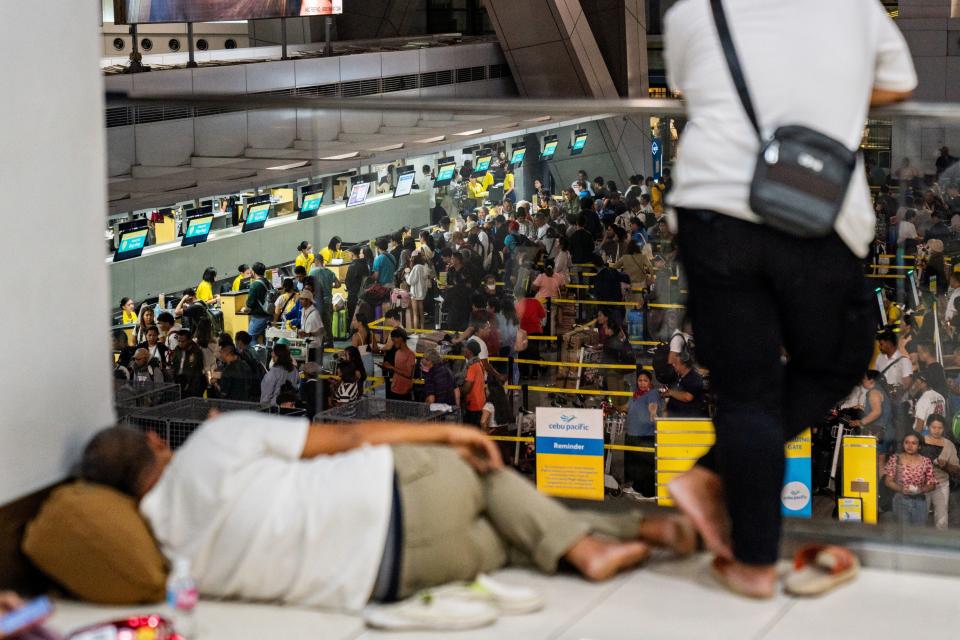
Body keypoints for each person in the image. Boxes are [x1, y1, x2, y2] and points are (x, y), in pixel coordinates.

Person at [664, 0, 916, 595]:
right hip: (815, 204)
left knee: (746, 391)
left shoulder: (691, 11)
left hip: (713, 208)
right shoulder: (856, 9)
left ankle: (751, 562)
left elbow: (689, 89)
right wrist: (836, 100)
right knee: (839, 358)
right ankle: (708, 481)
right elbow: (900, 86)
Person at [884, 432, 937, 527]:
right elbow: (888, 481)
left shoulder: (926, 461)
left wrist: (920, 490)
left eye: (914, 443)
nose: (909, 446)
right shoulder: (895, 459)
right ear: (903, 444)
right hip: (901, 499)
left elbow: (932, 484)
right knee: (903, 532)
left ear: (919, 446)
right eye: (906, 442)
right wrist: (901, 489)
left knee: (918, 532)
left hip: (920, 501)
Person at [920, 414, 960, 530]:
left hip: (941, 484)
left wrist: (945, 465)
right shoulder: (920, 442)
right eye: (934, 427)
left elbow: (956, 469)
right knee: (921, 517)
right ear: (928, 427)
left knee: (942, 520)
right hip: (923, 484)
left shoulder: (949, 445)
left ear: (944, 428)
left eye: (940, 428)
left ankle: (941, 544)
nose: (937, 431)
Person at [624, 371, 660, 498]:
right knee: (637, 465)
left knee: (646, 466)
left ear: (650, 382)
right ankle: (637, 487)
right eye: (640, 380)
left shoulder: (652, 393)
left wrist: (653, 413)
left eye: (645, 380)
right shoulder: (635, 394)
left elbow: (653, 405)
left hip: (645, 434)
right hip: (633, 434)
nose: (642, 383)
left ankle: (649, 494)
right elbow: (627, 407)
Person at [662, 351, 706, 419]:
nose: (673, 365)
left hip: (687, 420)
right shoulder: (678, 376)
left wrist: (671, 392)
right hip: (674, 418)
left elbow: (687, 397)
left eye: (676, 363)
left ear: (684, 365)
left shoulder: (695, 378)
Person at [308, 255, 340, 346]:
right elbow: (338, 284)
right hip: (329, 301)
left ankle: (320, 342)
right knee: (328, 324)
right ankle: (330, 342)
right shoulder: (329, 272)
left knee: (318, 324)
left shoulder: (312, 272)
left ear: (316, 261)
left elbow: (309, 286)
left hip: (318, 302)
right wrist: (330, 286)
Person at [381, 328, 415, 401]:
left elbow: (408, 374)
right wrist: (386, 367)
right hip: (395, 388)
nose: (393, 342)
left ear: (400, 338)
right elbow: (398, 370)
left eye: (394, 340)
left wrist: (392, 368)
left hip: (404, 390)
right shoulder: (397, 352)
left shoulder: (410, 354)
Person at [242, 262, 273, 342]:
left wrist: (244, 309)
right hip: (270, 315)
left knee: (251, 339)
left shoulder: (255, 285)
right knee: (266, 340)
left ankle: (254, 354)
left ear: (254, 272)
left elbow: (249, 304)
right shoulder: (268, 282)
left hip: (259, 318)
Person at [171, 329, 206, 398]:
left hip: (193, 383)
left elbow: (195, 369)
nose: (180, 343)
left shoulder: (196, 351)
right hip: (179, 380)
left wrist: (188, 383)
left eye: (183, 341)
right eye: (179, 341)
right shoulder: (177, 349)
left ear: (189, 340)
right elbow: (175, 364)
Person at [461, 339, 487, 427]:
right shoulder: (479, 362)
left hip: (474, 404)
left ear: (469, 351)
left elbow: (467, 387)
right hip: (480, 401)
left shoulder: (472, 366)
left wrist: (458, 391)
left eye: (465, 348)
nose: (463, 350)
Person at [346, 246, 373, 323]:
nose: (348, 255)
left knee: (353, 318)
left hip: (354, 297)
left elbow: (348, 282)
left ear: (352, 254)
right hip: (364, 295)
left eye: (348, 254)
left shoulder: (352, 266)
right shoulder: (365, 264)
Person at [405, 253, 431, 330]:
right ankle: (422, 330)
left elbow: (410, 281)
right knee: (421, 313)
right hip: (422, 294)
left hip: (415, 294)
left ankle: (416, 332)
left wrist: (407, 274)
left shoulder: (416, 267)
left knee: (415, 314)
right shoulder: (424, 267)